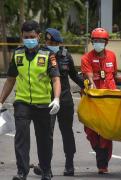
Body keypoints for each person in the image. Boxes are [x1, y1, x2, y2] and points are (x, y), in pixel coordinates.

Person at [0, 20, 61, 180]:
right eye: (26, 37)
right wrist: (0, 100)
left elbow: (55, 79)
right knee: (21, 138)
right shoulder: (18, 54)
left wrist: (56, 99)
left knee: (44, 140)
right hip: (22, 103)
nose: (29, 39)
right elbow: (10, 79)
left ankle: (46, 170)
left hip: (43, 104)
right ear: (22, 36)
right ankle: (22, 172)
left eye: (32, 36)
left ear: (38, 36)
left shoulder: (48, 55)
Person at [32, 28, 84, 176]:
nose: (52, 44)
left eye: (55, 42)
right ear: (45, 41)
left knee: (67, 132)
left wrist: (87, 86)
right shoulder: (39, 54)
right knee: (46, 134)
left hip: (65, 101)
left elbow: (74, 76)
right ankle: (44, 166)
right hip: (46, 100)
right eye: (50, 42)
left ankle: (69, 165)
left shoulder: (66, 55)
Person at [81, 27, 121, 174]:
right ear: (92, 41)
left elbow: (115, 77)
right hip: (93, 100)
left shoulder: (112, 56)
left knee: (106, 132)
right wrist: (90, 82)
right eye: (95, 41)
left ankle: (103, 163)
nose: (98, 43)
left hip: (109, 101)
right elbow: (88, 74)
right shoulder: (86, 58)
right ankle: (99, 152)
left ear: (106, 42)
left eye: (101, 41)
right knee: (90, 130)